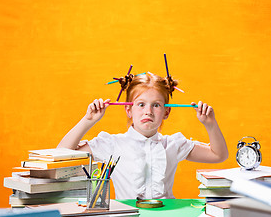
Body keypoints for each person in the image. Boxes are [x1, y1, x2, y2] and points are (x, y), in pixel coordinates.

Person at [57, 72, 228, 199]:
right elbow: (61, 154)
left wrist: (210, 124)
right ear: (128, 109)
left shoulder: (174, 144)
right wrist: (88, 120)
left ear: (167, 111)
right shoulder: (112, 144)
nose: (148, 111)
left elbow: (218, 155)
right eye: (140, 104)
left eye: (156, 105)